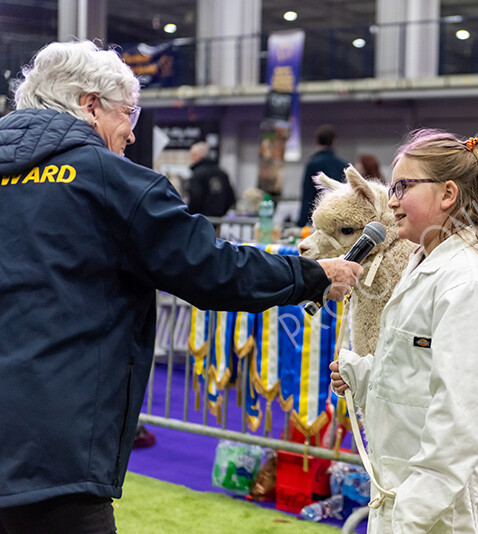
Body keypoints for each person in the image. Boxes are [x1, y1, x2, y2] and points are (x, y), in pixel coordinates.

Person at [0, 41, 362, 534]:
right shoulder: (115, 183)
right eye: (129, 113)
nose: (131, 132)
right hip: (55, 452)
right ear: (89, 104)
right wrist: (315, 275)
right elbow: (213, 269)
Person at [330, 130, 478, 532]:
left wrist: (413, 512)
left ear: (447, 194)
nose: (392, 199)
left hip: (445, 513)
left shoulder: (468, 284)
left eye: (403, 186)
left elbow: (460, 417)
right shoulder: (425, 265)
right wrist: (363, 377)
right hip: (411, 499)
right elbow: (417, 376)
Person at [298, 124, 348, 226]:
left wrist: (301, 223)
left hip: (318, 219)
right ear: (334, 141)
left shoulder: (312, 164)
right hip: (339, 219)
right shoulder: (343, 165)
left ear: (317, 141)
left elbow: (308, 196)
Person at [187, 141, 236, 217]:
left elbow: (195, 198)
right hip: (217, 220)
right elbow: (231, 197)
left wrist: (191, 214)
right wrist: (221, 213)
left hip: (201, 220)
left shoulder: (198, 174)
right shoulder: (221, 172)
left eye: (192, 155)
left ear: (197, 156)